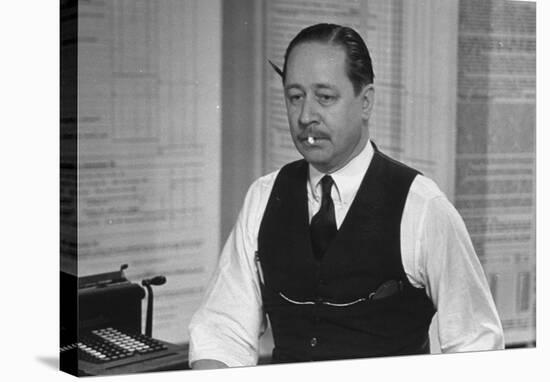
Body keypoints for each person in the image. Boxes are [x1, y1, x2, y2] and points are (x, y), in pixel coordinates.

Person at [188, 23, 504, 369]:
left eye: (325, 97)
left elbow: (477, 347)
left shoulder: (423, 207)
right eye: (295, 97)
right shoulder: (263, 197)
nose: (306, 116)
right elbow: (222, 331)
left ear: (365, 101)